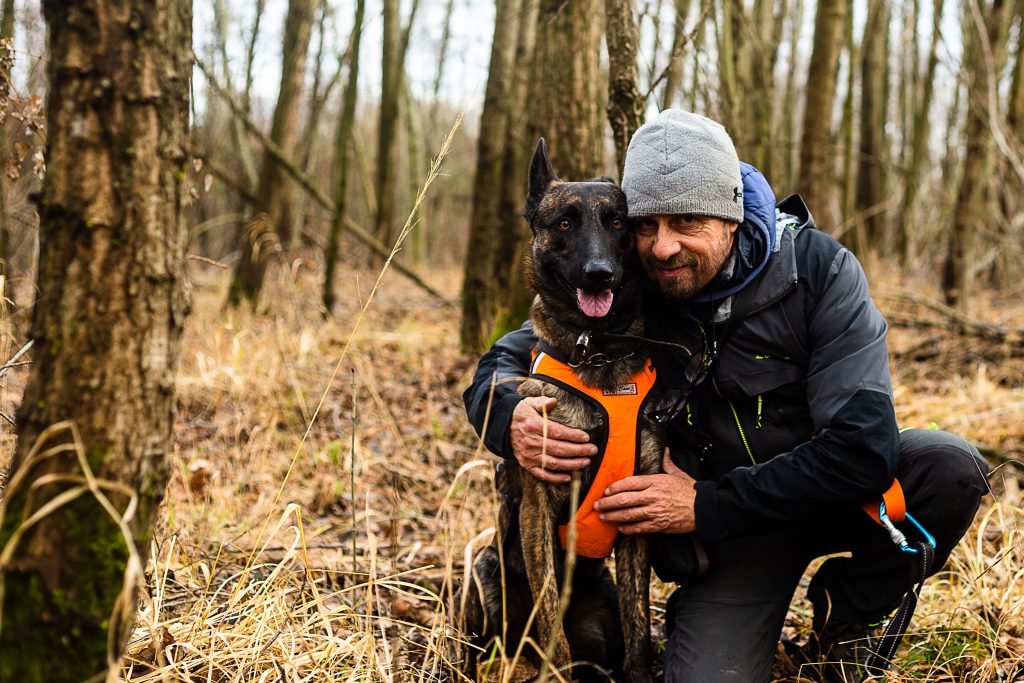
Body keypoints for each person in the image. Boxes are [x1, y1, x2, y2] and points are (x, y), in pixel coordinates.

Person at [462, 110, 989, 683]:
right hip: (732, 541)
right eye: (648, 225)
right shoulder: (638, 286)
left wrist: (704, 504)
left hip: (803, 498)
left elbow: (863, 451)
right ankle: (713, 615)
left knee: (948, 467)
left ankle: (850, 616)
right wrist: (510, 418)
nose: (664, 247)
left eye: (688, 220)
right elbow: (513, 355)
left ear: (731, 215)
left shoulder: (821, 273)